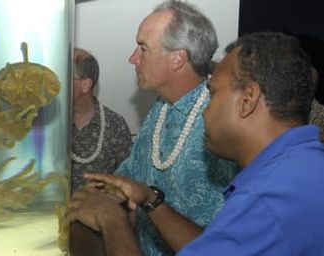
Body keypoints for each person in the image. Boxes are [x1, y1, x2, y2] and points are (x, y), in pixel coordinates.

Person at [68, 32, 324, 255]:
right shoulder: (301, 165)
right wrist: (151, 199)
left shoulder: (268, 199)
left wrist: (112, 220)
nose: (204, 111)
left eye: (212, 94)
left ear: (248, 100)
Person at [70, 1, 238, 255]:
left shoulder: (220, 121)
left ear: (177, 58)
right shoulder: (161, 107)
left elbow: (224, 240)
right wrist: (92, 193)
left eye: (143, 48)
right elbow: (131, 174)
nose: (132, 58)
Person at [71, 48, 132, 191]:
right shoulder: (49, 123)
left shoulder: (115, 126)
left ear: (85, 85)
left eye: (63, 75)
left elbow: (128, 183)